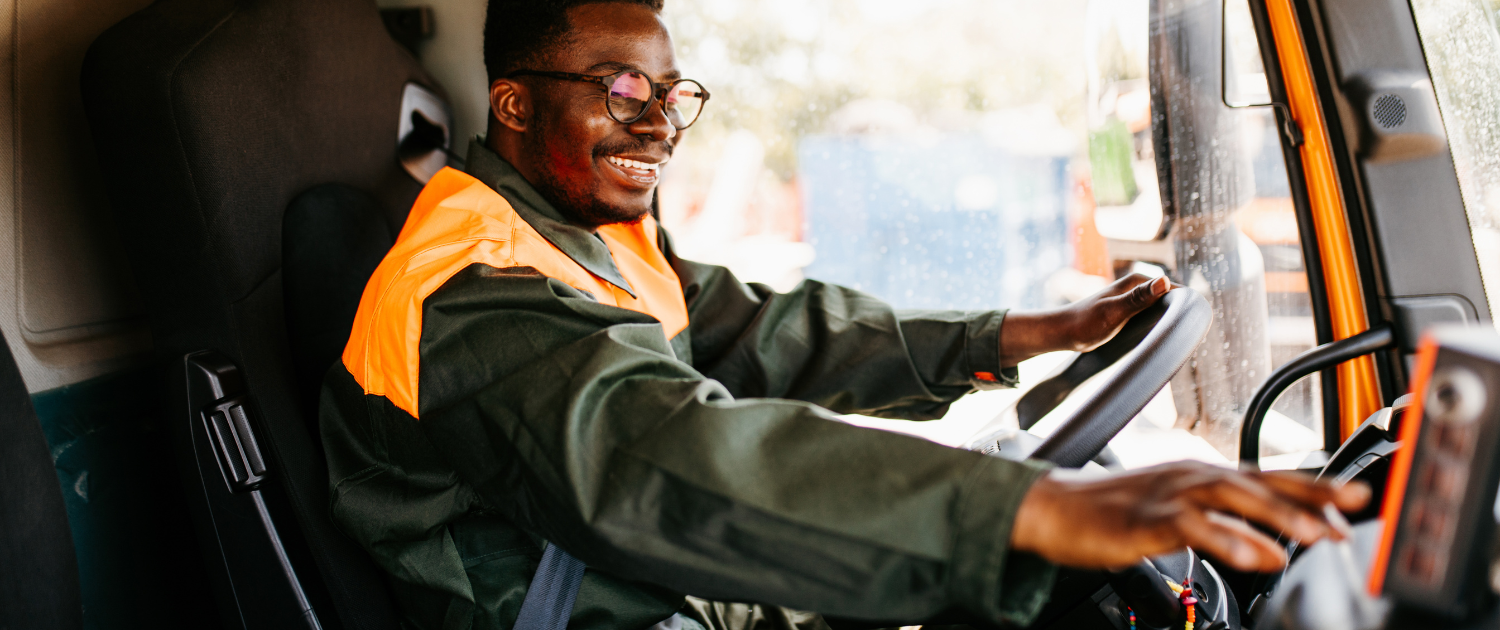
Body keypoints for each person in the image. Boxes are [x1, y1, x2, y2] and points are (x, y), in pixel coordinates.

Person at [319, 1, 1369, 629]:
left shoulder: (578, 230)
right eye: (623, 88)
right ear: (512, 102)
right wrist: (1023, 511)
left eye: (672, 94)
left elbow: (764, 331)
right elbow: (656, 455)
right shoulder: (472, 288)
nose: (660, 123)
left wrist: (1019, 334)